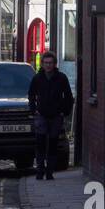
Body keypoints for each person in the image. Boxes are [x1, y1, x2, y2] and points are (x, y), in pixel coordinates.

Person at [28, 51, 74, 181]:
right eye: (46, 63)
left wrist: (64, 112)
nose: (48, 65)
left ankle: (50, 172)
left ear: (54, 64)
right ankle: (40, 170)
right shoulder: (37, 78)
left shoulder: (61, 78)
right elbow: (31, 95)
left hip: (56, 116)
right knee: (40, 142)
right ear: (42, 64)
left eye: (50, 63)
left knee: (53, 143)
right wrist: (34, 110)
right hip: (41, 115)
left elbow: (68, 96)